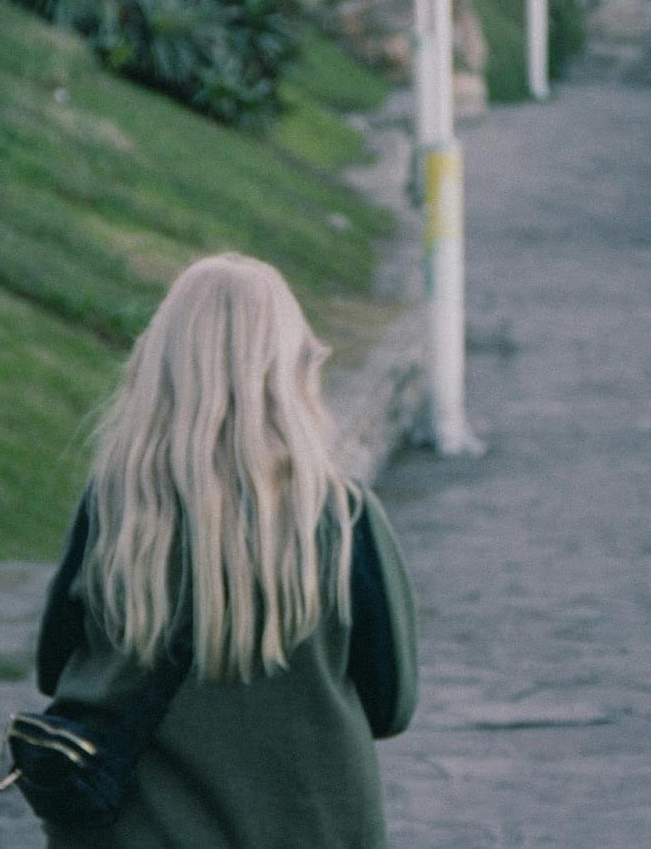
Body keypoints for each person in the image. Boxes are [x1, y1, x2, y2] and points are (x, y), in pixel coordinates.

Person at [34, 253, 418, 848]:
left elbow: (55, 666)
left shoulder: (114, 510)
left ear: (159, 367)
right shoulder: (344, 519)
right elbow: (392, 705)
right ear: (289, 371)